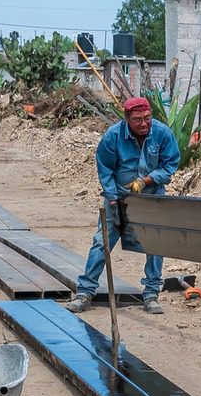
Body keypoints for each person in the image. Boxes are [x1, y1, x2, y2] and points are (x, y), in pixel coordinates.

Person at [67, 96, 180, 315]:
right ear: (127, 118)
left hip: (152, 198)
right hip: (118, 198)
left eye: (147, 118)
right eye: (138, 119)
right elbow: (105, 169)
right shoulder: (113, 137)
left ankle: (151, 294)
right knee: (102, 243)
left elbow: (170, 164)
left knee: (155, 245)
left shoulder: (162, 133)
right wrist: (112, 200)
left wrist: (146, 181)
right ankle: (85, 292)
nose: (144, 123)